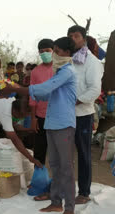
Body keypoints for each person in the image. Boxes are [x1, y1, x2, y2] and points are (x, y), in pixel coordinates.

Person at [0, 37, 77, 214]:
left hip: (63, 124)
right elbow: (44, 94)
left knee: (66, 167)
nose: (53, 54)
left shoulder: (68, 72)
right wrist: (28, 93)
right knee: (56, 166)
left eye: (56, 50)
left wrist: (14, 88)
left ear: (66, 52)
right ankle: (56, 202)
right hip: (52, 122)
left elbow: (43, 90)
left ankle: (69, 208)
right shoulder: (59, 72)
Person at [67, 25, 104, 204]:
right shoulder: (68, 60)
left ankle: (84, 192)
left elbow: (95, 89)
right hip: (65, 114)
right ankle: (63, 187)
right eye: (70, 36)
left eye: (76, 36)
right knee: (63, 153)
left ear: (84, 39)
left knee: (83, 154)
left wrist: (75, 101)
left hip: (82, 115)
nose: (73, 39)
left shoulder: (92, 62)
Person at [0, 96, 42, 167]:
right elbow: (15, 140)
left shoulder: (12, 103)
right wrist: (31, 159)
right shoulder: (5, 112)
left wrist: (28, 130)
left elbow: (14, 126)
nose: (22, 118)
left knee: (6, 138)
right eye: (21, 116)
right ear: (15, 111)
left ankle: (2, 162)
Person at [29, 39, 54, 166]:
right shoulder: (35, 72)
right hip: (41, 117)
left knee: (57, 153)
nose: (45, 54)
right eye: (42, 51)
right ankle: (38, 181)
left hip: (57, 116)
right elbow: (32, 96)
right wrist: (33, 118)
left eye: (48, 51)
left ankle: (58, 183)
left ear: (53, 51)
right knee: (39, 151)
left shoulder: (61, 69)